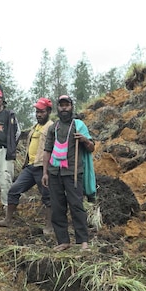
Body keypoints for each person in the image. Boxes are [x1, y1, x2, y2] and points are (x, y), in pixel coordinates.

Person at [42, 95, 96, 251]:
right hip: (54, 172)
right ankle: (63, 241)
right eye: (61, 105)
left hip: (73, 173)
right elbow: (47, 151)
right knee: (57, 208)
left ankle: (83, 241)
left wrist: (85, 140)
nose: (64, 108)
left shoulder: (78, 126)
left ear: (72, 107)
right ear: (57, 108)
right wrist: (45, 173)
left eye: (67, 105)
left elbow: (92, 148)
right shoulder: (53, 128)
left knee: (76, 206)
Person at [0, 97, 53, 233]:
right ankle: (8, 220)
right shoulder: (35, 127)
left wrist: (49, 169)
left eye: (42, 112)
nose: (39, 114)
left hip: (42, 167)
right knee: (14, 190)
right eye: (37, 112)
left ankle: (49, 226)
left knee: (48, 196)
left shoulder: (51, 127)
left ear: (49, 111)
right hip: (30, 166)